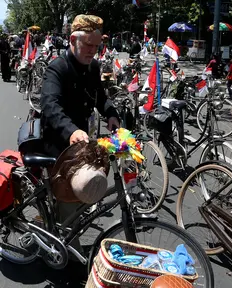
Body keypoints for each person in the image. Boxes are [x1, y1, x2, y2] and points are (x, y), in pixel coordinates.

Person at [40, 15, 120, 255]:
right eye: (87, 45)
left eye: (96, 46)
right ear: (72, 40)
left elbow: (100, 97)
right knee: (69, 198)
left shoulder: (93, 66)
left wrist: (112, 114)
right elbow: (50, 105)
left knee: (86, 192)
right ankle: (64, 250)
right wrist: (71, 130)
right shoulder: (58, 67)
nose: (92, 51)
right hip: (58, 141)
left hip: (82, 141)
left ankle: (64, 223)